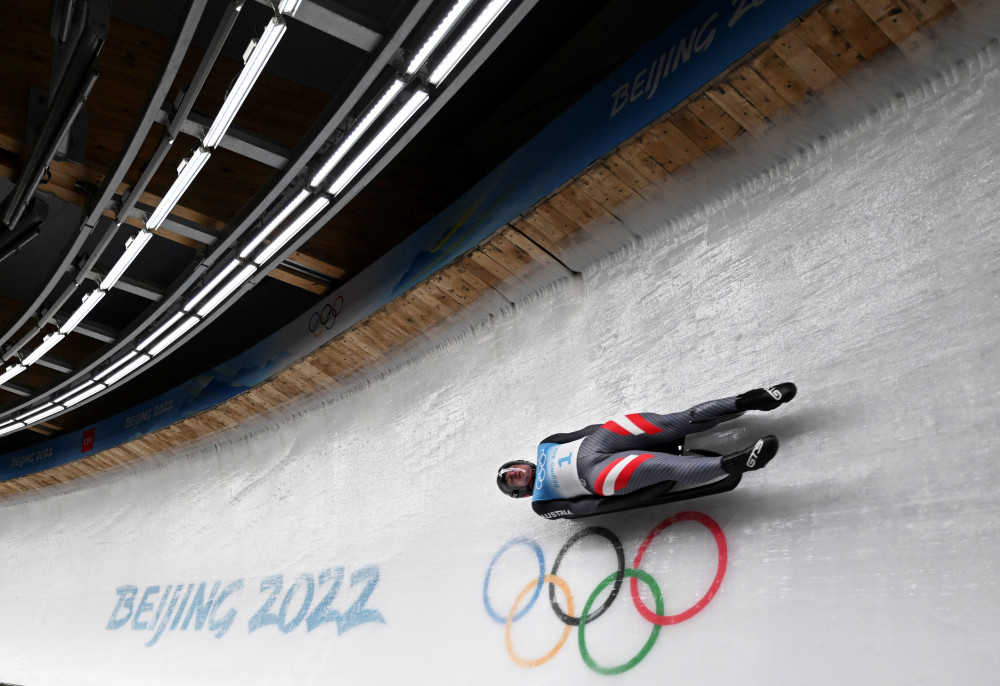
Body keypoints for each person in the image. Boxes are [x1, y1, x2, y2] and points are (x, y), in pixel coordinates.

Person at [496, 383, 797, 519]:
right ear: (519, 492)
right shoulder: (541, 503)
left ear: (520, 462)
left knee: (677, 420)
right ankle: (737, 462)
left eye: (512, 469)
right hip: (596, 476)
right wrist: (634, 497)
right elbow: (580, 509)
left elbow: (585, 430)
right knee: (662, 465)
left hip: (602, 439)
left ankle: (753, 400)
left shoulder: (546, 444)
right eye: (512, 480)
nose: (516, 474)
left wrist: (628, 434)